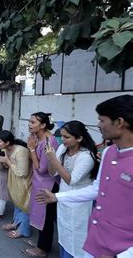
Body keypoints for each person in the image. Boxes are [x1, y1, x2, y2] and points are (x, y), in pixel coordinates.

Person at [37, 95, 133, 258]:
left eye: (102, 120)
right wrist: (56, 197)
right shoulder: (109, 152)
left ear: (119, 122)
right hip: (96, 239)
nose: (98, 125)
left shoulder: (87, 155)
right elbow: (97, 189)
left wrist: (123, 255)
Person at [44, 120, 99, 257]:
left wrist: (54, 160)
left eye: (67, 137)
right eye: (62, 136)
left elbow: (71, 180)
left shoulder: (86, 156)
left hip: (79, 203)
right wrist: (51, 159)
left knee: (77, 238)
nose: (62, 140)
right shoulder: (63, 149)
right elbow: (53, 172)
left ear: (79, 138)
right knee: (64, 234)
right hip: (62, 198)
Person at [23, 112, 59, 257]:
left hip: (48, 185)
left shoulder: (49, 142)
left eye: (33, 122)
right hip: (40, 183)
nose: (29, 125)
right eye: (29, 122)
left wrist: (31, 148)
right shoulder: (38, 138)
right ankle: (42, 243)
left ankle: (42, 249)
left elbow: (42, 169)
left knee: (45, 217)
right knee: (40, 213)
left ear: (43, 125)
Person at [0, 130, 32, 239]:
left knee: (24, 205)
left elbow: (22, 172)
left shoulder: (21, 151)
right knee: (17, 202)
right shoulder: (5, 149)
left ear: (7, 142)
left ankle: (23, 230)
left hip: (23, 182)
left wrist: (6, 161)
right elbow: (9, 165)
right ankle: (16, 223)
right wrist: (5, 161)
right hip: (14, 180)